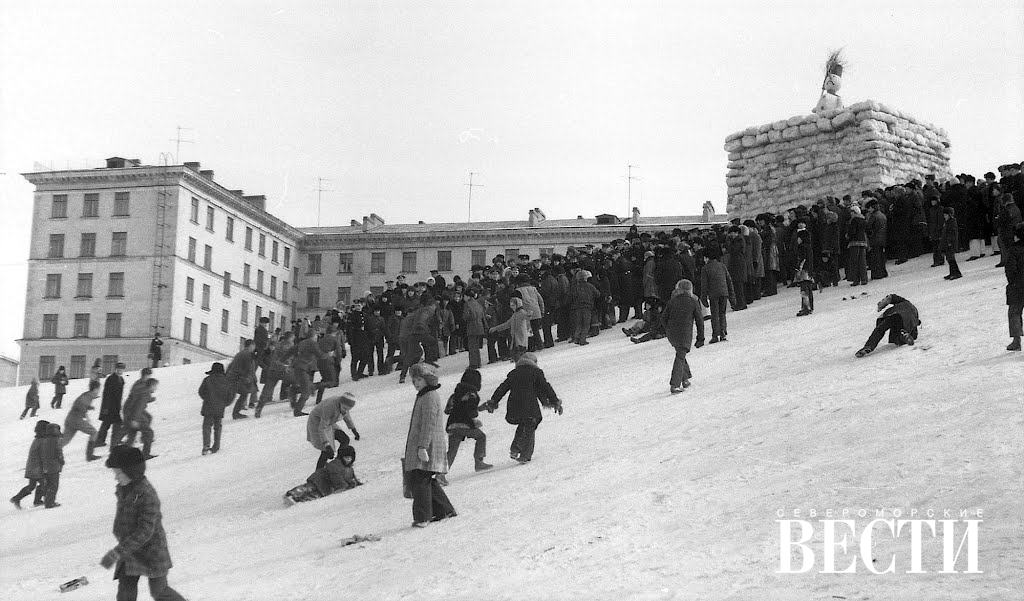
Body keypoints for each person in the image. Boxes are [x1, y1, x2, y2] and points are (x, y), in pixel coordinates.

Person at [101, 445, 188, 601]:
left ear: (131, 472)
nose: (116, 477)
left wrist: (117, 552)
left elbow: (144, 532)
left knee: (159, 591)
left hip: (152, 550)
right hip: (130, 548)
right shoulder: (123, 488)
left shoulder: (147, 495)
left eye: (118, 473)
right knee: (125, 591)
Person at [481, 352, 562, 464]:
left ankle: (516, 448)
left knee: (525, 423)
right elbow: (545, 387)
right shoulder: (536, 372)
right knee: (531, 423)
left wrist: (494, 401)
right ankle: (524, 454)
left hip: (514, 404)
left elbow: (502, 388)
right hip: (529, 405)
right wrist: (555, 401)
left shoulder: (514, 373)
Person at [403, 363, 456, 527]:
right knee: (424, 478)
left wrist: (423, 446)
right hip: (422, 444)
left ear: (427, 379)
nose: (416, 383)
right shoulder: (424, 395)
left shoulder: (430, 396)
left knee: (420, 480)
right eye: (414, 380)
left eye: (419, 379)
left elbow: (429, 423)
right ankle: (444, 510)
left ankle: (423, 516)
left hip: (428, 445)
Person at [444, 368, 492, 476]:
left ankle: (440, 474)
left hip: (452, 424)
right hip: (464, 424)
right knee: (481, 436)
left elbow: (448, 410)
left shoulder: (455, 394)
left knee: (452, 451)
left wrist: (479, 408)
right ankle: (479, 462)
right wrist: (475, 419)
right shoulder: (472, 394)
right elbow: (471, 412)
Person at [661, 279, 705, 394]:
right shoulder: (693, 301)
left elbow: (663, 318)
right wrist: (700, 338)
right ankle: (675, 385)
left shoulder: (672, 301)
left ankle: (685, 378)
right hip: (684, 333)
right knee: (680, 356)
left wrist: (668, 330)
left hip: (672, 333)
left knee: (680, 353)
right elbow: (700, 321)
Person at [284, 445, 361, 505]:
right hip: (319, 480)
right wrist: (343, 485)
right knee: (307, 488)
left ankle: (300, 502)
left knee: (316, 495)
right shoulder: (335, 464)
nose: (348, 460)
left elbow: (351, 477)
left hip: (327, 487)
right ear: (341, 457)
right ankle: (292, 494)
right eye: (346, 458)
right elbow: (335, 475)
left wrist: (354, 483)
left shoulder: (349, 469)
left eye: (350, 458)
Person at [306, 392, 359, 471]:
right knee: (326, 451)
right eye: (344, 408)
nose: (346, 410)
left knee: (344, 439)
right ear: (340, 403)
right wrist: (327, 445)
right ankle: (318, 474)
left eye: (348, 409)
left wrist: (353, 429)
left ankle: (338, 464)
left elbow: (347, 416)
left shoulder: (344, 406)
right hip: (317, 423)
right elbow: (322, 428)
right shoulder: (329, 407)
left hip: (329, 423)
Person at [855, 294, 920, 358]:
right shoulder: (911, 307)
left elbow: (890, 297)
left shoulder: (898, 305)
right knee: (899, 338)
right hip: (909, 321)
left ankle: (868, 346)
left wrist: (880, 305)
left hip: (895, 315)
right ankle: (903, 335)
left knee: (881, 330)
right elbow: (916, 324)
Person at [10, 420, 49, 509]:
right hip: (37, 467)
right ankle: (37, 501)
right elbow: (43, 456)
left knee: (32, 485)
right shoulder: (42, 441)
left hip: (32, 467)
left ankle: (17, 498)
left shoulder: (37, 439)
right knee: (44, 483)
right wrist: (46, 468)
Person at [699, 248, 735, 343]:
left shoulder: (705, 269)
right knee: (722, 313)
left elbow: (704, 285)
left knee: (715, 315)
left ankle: (715, 335)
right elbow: (729, 280)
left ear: (706, 258)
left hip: (713, 294)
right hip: (724, 292)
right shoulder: (722, 266)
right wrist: (731, 295)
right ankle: (723, 332)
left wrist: (703, 298)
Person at [61, 380, 102, 462]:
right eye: (99, 389)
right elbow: (80, 403)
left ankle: (49, 452)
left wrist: (89, 407)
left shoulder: (87, 395)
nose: (99, 391)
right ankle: (89, 456)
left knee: (65, 440)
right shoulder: (87, 396)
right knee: (94, 433)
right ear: (95, 389)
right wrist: (86, 415)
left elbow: (79, 403)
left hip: (70, 419)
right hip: (77, 420)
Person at [198, 363, 233, 455]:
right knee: (217, 427)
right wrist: (224, 404)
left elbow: (201, 392)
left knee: (207, 426)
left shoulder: (207, 380)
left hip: (208, 407)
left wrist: (207, 398)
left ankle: (206, 446)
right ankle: (216, 446)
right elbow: (230, 396)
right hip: (220, 408)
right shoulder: (227, 381)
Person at [122, 378, 160, 459]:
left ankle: (125, 455)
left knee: (132, 434)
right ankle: (145, 454)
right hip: (135, 416)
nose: (156, 388)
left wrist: (151, 399)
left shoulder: (143, 391)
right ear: (152, 385)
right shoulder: (145, 394)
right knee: (149, 433)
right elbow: (138, 407)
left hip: (130, 414)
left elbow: (138, 401)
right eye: (155, 386)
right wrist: (134, 420)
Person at [489, 296, 531, 361]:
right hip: (515, 338)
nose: (511, 307)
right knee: (516, 355)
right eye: (511, 305)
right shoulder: (514, 314)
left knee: (520, 355)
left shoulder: (521, 312)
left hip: (521, 338)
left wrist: (529, 313)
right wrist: (495, 328)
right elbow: (507, 324)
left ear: (518, 305)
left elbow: (527, 317)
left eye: (513, 305)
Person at [1003, 224, 1024, 351]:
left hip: (1017, 286)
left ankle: (1016, 341)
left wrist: (1013, 283)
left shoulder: (1014, 250)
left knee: (1014, 313)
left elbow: (1010, 269)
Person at [227, 339, 258, 419]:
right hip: (236, 378)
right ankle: (217, 413)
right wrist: (247, 378)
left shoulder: (241, 353)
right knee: (229, 398)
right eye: (254, 346)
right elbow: (247, 368)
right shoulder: (247, 355)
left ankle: (235, 413)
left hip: (233, 377)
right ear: (250, 346)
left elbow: (231, 365)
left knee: (243, 393)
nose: (254, 348)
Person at [96, 362, 126, 447]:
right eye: (119, 369)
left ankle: (102, 440)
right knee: (107, 423)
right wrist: (106, 407)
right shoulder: (111, 379)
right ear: (116, 369)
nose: (120, 371)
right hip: (109, 406)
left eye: (122, 369)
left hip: (116, 405)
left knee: (110, 423)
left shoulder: (121, 379)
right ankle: (101, 440)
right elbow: (107, 394)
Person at [38, 423, 64, 508]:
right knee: (54, 484)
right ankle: (50, 502)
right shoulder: (56, 440)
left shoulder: (45, 440)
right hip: (54, 466)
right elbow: (58, 452)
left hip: (45, 466)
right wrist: (61, 460)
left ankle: (47, 501)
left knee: (48, 484)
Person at [939, 207, 963, 280]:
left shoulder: (951, 222)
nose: (944, 216)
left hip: (950, 243)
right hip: (946, 243)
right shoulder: (947, 222)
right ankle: (952, 272)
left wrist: (949, 242)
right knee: (949, 258)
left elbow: (951, 234)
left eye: (946, 215)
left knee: (951, 258)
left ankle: (956, 273)